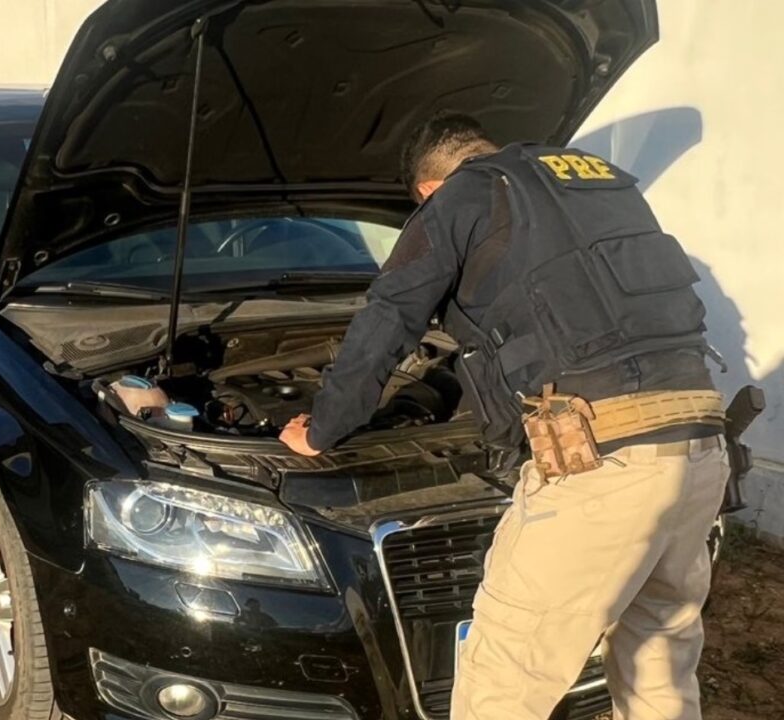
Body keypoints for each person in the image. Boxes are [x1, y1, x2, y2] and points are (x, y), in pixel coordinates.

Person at [278, 113, 729, 720]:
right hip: (699, 448)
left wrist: (322, 427)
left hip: (602, 460)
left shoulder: (464, 192)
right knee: (658, 663)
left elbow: (389, 316)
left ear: (429, 190)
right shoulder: (597, 182)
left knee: (504, 680)